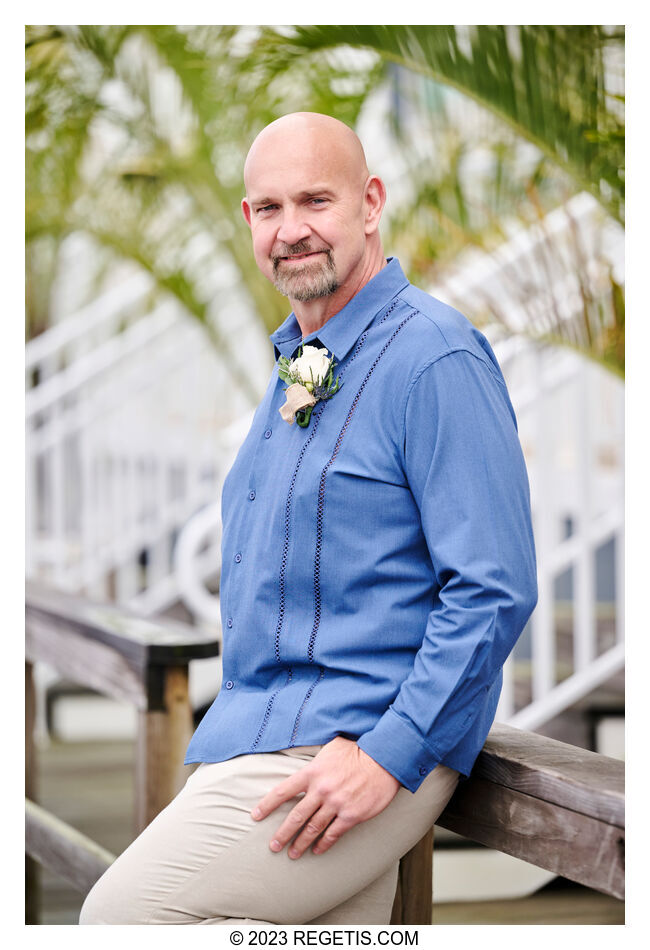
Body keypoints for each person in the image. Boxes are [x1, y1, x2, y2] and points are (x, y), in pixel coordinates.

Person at [79, 112, 537, 925]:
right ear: (248, 221)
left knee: (121, 919)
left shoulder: (435, 357)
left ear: (370, 203)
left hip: (361, 744)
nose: (291, 230)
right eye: (268, 208)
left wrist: (389, 757)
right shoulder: (302, 358)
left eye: (314, 202)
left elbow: (492, 589)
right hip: (264, 735)